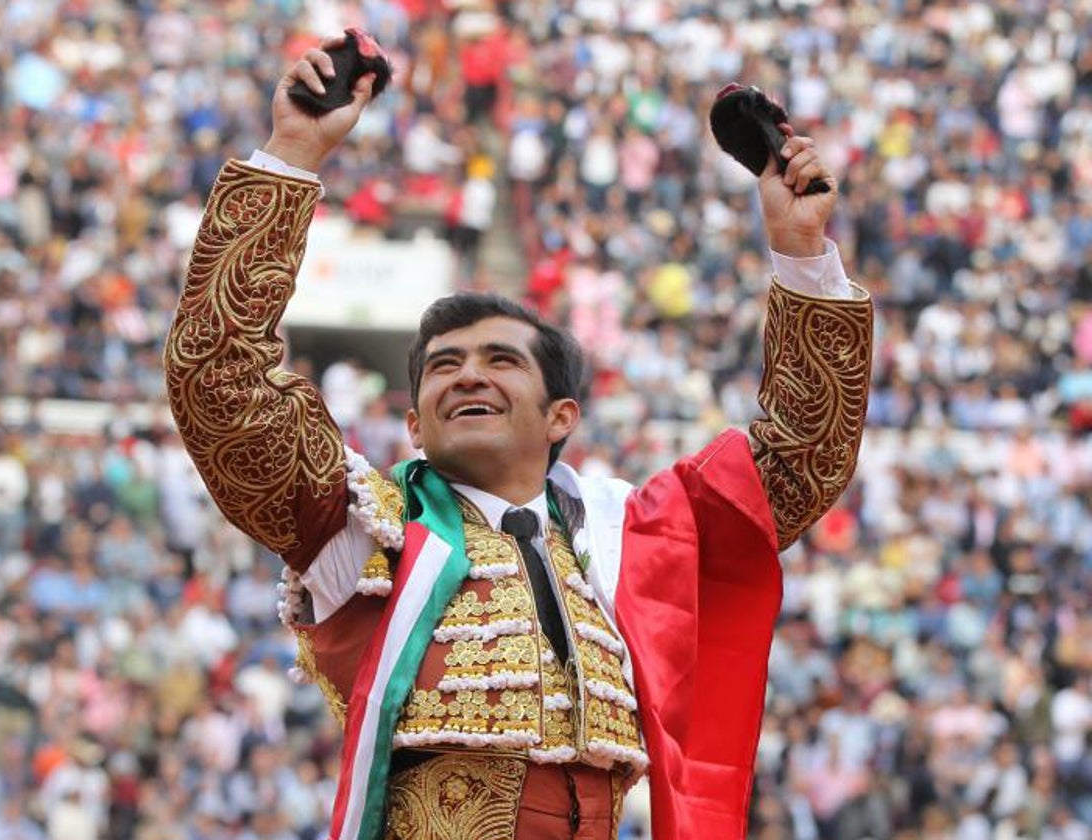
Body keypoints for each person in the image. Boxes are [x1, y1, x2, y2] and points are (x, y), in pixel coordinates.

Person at [164, 35, 873, 840]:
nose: (467, 376)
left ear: (560, 416)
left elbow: (799, 459)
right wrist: (291, 153)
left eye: (500, 361)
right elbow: (219, 380)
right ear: (413, 423)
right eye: (443, 368)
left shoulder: (628, 534)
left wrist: (803, 254)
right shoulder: (361, 523)